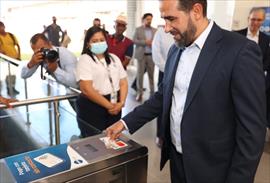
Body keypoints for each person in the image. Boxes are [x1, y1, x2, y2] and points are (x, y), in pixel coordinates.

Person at [106, 0, 267, 183]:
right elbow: (163, 96)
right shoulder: (176, 49)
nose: (166, 28)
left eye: (171, 19)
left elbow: (252, 131)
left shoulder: (239, 51)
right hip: (178, 161)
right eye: (164, 19)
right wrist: (125, 123)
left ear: (196, 11)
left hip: (215, 169)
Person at [76, 26, 128, 137]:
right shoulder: (85, 59)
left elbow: (123, 82)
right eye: (94, 41)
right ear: (87, 44)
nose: (99, 43)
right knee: (95, 142)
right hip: (93, 106)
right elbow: (86, 89)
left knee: (113, 138)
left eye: (101, 40)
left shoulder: (114, 58)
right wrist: (109, 106)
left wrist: (121, 103)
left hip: (115, 104)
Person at [235, 7, 270, 128]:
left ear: (263, 21)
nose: (255, 23)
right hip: (237, 80)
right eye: (253, 19)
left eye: (259, 20)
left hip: (255, 83)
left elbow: (267, 61)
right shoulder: (236, 35)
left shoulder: (266, 39)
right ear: (248, 19)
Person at [152, 25, 174, 147]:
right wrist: (169, 68)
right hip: (165, 71)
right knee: (163, 104)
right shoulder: (161, 32)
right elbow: (156, 53)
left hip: (181, 71)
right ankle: (160, 135)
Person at [133, 13, 157, 102]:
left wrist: (153, 44)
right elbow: (134, 40)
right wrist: (145, 42)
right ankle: (139, 93)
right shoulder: (138, 29)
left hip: (151, 56)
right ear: (143, 19)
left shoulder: (155, 30)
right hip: (141, 56)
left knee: (151, 75)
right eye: (147, 19)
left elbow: (157, 42)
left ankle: (152, 94)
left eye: (150, 19)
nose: (149, 21)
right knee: (140, 75)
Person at [0, 21, 21, 95]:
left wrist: (19, 55)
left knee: (13, 74)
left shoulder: (11, 35)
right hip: (5, 59)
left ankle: (13, 88)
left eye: (1, 26)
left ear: (4, 27)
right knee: (8, 74)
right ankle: (9, 89)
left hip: (14, 58)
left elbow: (17, 45)